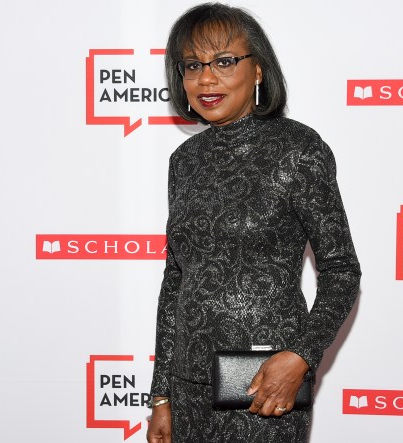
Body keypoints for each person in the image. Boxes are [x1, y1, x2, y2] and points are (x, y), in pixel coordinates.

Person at [147, 3, 361, 442]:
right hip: (188, 386)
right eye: (193, 65)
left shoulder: (298, 149)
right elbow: (176, 280)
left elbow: (342, 271)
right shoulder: (184, 161)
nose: (206, 78)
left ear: (259, 70)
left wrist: (301, 355)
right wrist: (161, 397)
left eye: (224, 61)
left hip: (265, 380)